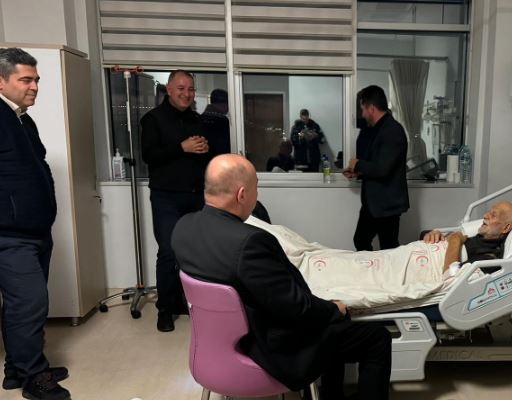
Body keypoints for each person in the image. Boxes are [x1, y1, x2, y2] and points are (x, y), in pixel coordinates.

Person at [172, 154, 392, 400]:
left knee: (331, 325)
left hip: (212, 346)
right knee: (375, 337)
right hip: (267, 350)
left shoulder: (183, 228)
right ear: (242, 194)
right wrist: (333, 308)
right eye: (256, 188)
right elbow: (296, 307)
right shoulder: (250, 242)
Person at [0, 48, 70, 400]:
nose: (34, 87)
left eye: (36, 80)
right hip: (10, 234)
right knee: (30, 303)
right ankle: (34, 377)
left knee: (22, 305)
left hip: (35, 230)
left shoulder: (22, 119)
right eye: (25, 80)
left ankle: (17, 369)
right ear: (1, 81)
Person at [141, 69, 217, 332]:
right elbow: (149, 156)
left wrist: (205, 151)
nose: (187, 94)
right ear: (169, 90)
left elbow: (204, 156)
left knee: (194, 252)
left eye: (191, 89)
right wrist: (181, 148)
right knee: (168, 251)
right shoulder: (153, 119)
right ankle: (164, 309)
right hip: (167, 197)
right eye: (181, 88)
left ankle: (184, 301)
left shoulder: (197, 119)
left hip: (196, 195)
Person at [344, 86, 409, 251]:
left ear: (371, 108)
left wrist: (357, 164)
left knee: (388, 247)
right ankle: (371, 267)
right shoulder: (377, 129)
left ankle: (386, 268)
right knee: (361, 240)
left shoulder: (392, 131)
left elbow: (383, 169)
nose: (362, 114)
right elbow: (376, 162)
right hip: (374, 204)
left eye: (363, 109)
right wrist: (358, 172)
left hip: (387, 205)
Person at [421, 202, 512, 273]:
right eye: (489, 212)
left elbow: (451, 275)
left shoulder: (489, 259)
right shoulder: (475, 239)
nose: (485, 215)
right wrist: (432, 235)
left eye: (493, 215)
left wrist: (455, 240)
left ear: (505, 228)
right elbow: (424, 236)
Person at [200, 88, 231, 156]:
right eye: (228, 104)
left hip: (203, 159)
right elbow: (225, 146)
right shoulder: (223, 121)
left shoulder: (200, 118)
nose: (228, 108)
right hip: (220, 158)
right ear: (223, 105)